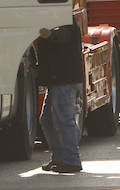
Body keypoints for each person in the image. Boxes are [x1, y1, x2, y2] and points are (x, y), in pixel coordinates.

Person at [36, 19, 84, 174]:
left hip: (64, 80)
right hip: (60, 79)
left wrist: (50, 34)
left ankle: (72, 160)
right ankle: (60, 157)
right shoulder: (60, 17)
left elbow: (64, 36)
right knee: (48, 120)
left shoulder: (65, 18)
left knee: (63, 120)